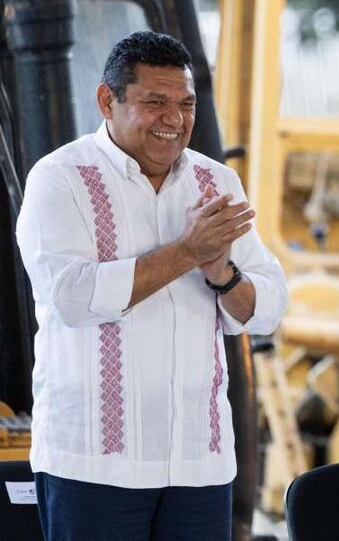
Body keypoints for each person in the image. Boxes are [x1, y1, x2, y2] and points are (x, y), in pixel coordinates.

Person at [16, 31, 288, 540]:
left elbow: (269, 306)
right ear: (107, 101)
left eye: (186, 104)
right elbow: (72, 297)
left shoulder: (217, 183)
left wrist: (222, 275)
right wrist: (187, 251)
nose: (175, 119)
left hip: (199, 464)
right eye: (155, 102)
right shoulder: (59, 178)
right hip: (93, 465)